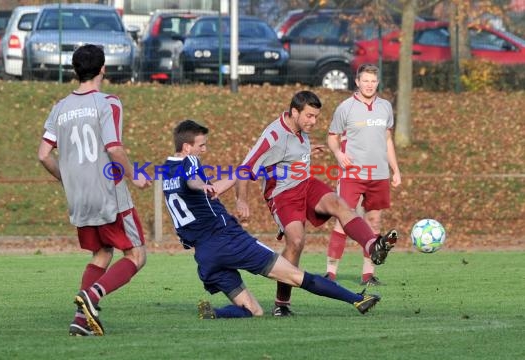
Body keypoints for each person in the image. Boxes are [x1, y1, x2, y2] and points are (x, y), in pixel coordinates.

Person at [161, 119, 382, 319]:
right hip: (228, 240)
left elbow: (192, 192)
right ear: (187, 147)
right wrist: (203, 185)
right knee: (296, 276)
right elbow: (192, 182)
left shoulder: (166, 170)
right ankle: (356, 299)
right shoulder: (190, 162)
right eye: (201, 145)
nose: (204, 149)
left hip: (204, 254)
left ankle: (214, 314)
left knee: (253, 311)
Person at [235, 90, 398, 316]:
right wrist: (241, 200)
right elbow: (244, 168)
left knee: (339, 204)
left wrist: (307, 151)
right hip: (283, 195)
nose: (313, 122)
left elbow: (287, 154)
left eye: (316, 117)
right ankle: (282, 304)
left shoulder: (299, 128)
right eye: (309, 116)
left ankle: (372, 245)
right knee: (297, 241)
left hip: (306, 183)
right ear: (295, 112)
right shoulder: (272, 135)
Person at [37, 44, 151, 336]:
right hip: (108, 191)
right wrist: (135, 175)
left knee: (101, 253)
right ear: (103, 69)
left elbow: (43, 154)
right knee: (136, 256)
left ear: (75, 71)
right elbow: (113, 147)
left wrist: (67, 180)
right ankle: (92, 296)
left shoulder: (59, 108)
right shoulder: (107, 102)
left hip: (79, 197)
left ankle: (81, 320)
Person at [324, 64, 401, 286]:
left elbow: (387, 140)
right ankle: (330, 273)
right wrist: (338, 153)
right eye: (365, 80)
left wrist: (395, 169)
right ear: (357, 82)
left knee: (374, 222)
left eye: (373, 81)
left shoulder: (385, 107)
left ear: (377, 83)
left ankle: (368, 275)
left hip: (378, 175)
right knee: (343, 220)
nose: (369, 85)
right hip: (353, 174)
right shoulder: (345, 108)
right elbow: (332, 137)